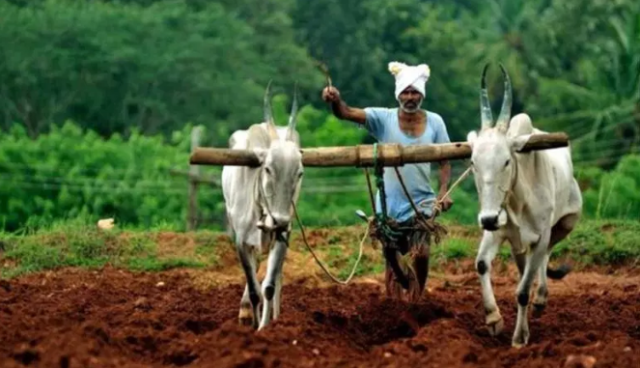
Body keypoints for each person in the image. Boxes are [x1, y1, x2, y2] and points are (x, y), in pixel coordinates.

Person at [321, 61, 453, 300]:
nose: (410, 97)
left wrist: (444, 191)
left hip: (421, 203)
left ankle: (417, 297)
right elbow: (347, 113)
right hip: (388, 206)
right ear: (398, 94)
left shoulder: (435, 122)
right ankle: (395, 299)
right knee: (391, 255)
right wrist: (336, 101)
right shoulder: (383, 118)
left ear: (422, 94)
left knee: (421, 254)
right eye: (406, 92)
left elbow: (446, 159)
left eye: (415, 92)